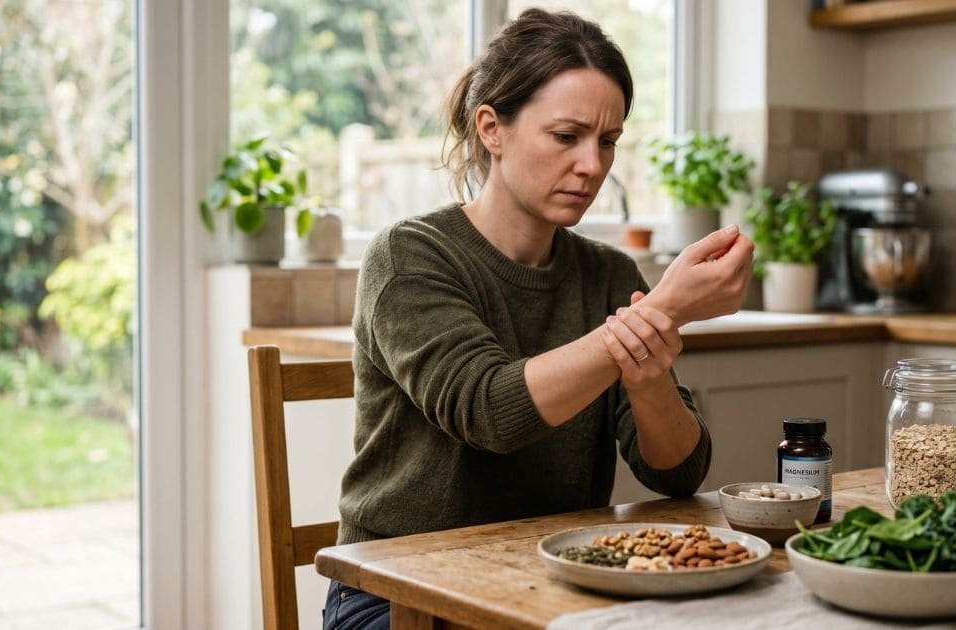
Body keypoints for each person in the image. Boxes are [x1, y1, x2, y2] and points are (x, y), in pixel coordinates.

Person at [323, 8, 753, 629]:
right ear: (492, 129)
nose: (593, 165)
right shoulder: (408, 255)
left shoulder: (609, 276)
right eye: (566, 136)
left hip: (554, 583)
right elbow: (490, 412)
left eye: (607, 141)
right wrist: (665, 308)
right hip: (396, 595)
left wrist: (648, 373)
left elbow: (677, 471)